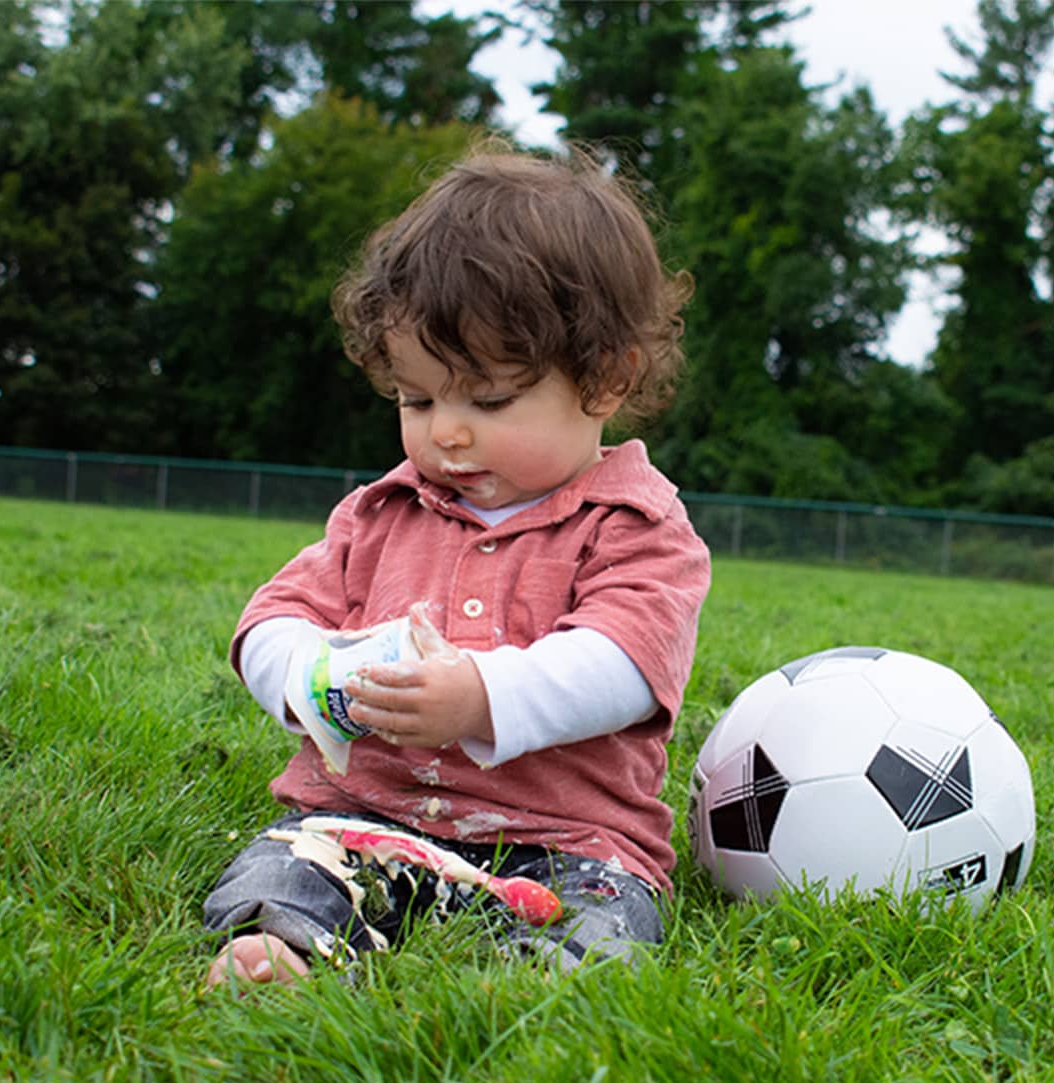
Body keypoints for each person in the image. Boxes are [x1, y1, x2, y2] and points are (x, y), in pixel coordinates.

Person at [204, 143, 709, 986]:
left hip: (566, 845)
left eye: (489, 399)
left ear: (606, 379)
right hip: (368, 815)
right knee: (289, 863)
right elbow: (271, 618)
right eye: (418, 398)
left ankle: (524, 984)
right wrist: (307, 677)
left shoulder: (636, 524)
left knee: (607, 926)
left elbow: (624, 662)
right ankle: (286, 951)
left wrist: (480, 698)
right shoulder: (380, 513)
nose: (447, 432)